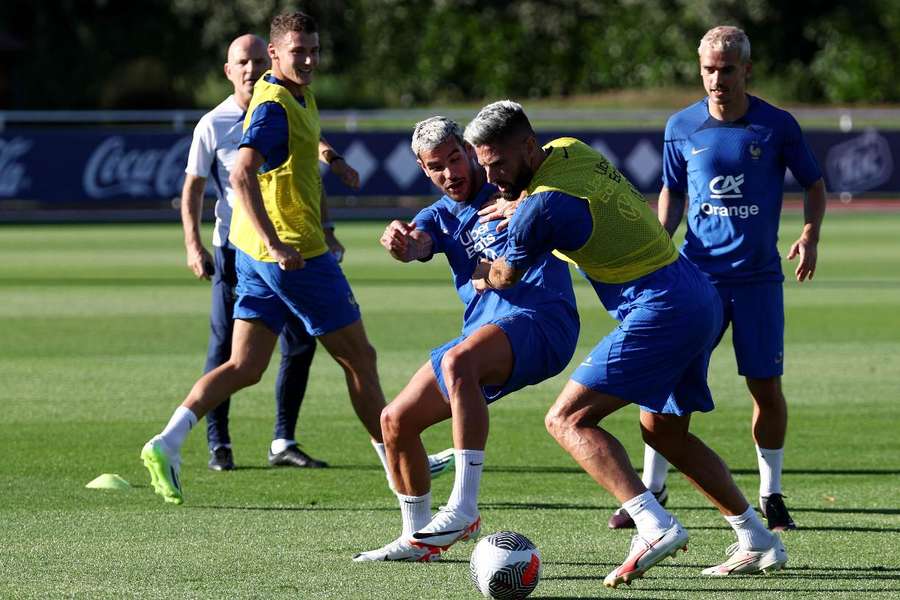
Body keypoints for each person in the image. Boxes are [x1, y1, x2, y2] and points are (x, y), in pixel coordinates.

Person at [470, 100, 787, 586]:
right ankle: (757, 539)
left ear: (529, 147)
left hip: (661, 309)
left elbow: (506, 275)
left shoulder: (540, 208)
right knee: (664, 433)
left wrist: (478, 273)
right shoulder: (569, 149)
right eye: (484, 167)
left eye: (499, 165)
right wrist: (522, 200)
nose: (492, 177)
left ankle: (652, 524)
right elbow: (565, 198)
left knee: (567, 419)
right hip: (694, 292)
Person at [141, 12, 451, 506]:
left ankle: (168, 441)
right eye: (298, 51)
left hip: (258, 255)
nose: (308, 59)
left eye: (314, 50)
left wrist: (333, 167)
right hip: (293, 256)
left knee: (245, 365)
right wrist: (281, 243)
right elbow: (242, 174)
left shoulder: (292, 93)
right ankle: (400, 471)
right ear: (276, 54)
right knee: (360, 359)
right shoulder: (273, 106)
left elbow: (298, 160)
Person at [608, 25, 826, 533]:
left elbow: (814, 184)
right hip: (695, 280)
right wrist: (660, 237)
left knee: (765, 388)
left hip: (757, 282)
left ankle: (771, 495)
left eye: (727, 69)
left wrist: (810, 234)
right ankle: (652, 486)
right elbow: (673, 191)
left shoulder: (777, 126)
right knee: (665, 384)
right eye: (709, 69)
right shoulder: (680, 127)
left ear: (746, 70)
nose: (717, 79)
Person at [352, 116, 579, 562]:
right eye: (436, 167)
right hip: (481, 335)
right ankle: (418, 539)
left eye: (455, 158)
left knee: (459, 363)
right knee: (394, 421)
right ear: (423, 169)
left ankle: (464, 507)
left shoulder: (510, 181)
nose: (450, 173)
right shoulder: (437, 215)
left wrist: (532, 203)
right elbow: (419, 243)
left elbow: (566, 194)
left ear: (471, 149)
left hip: (542, 320)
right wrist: (402, 243)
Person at [181, 33, 327, 472]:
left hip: (288, 248)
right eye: (241, 61)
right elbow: (193, 187)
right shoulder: (214, 123)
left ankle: (283, 439)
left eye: (258, 59)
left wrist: (329, 227)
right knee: (227, 350)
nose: (250, 68)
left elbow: (307, 175)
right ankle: (218, 441)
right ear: (228, 71)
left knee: (301, 342)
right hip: (236, 251)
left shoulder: (285, 105)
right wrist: (193, 244)